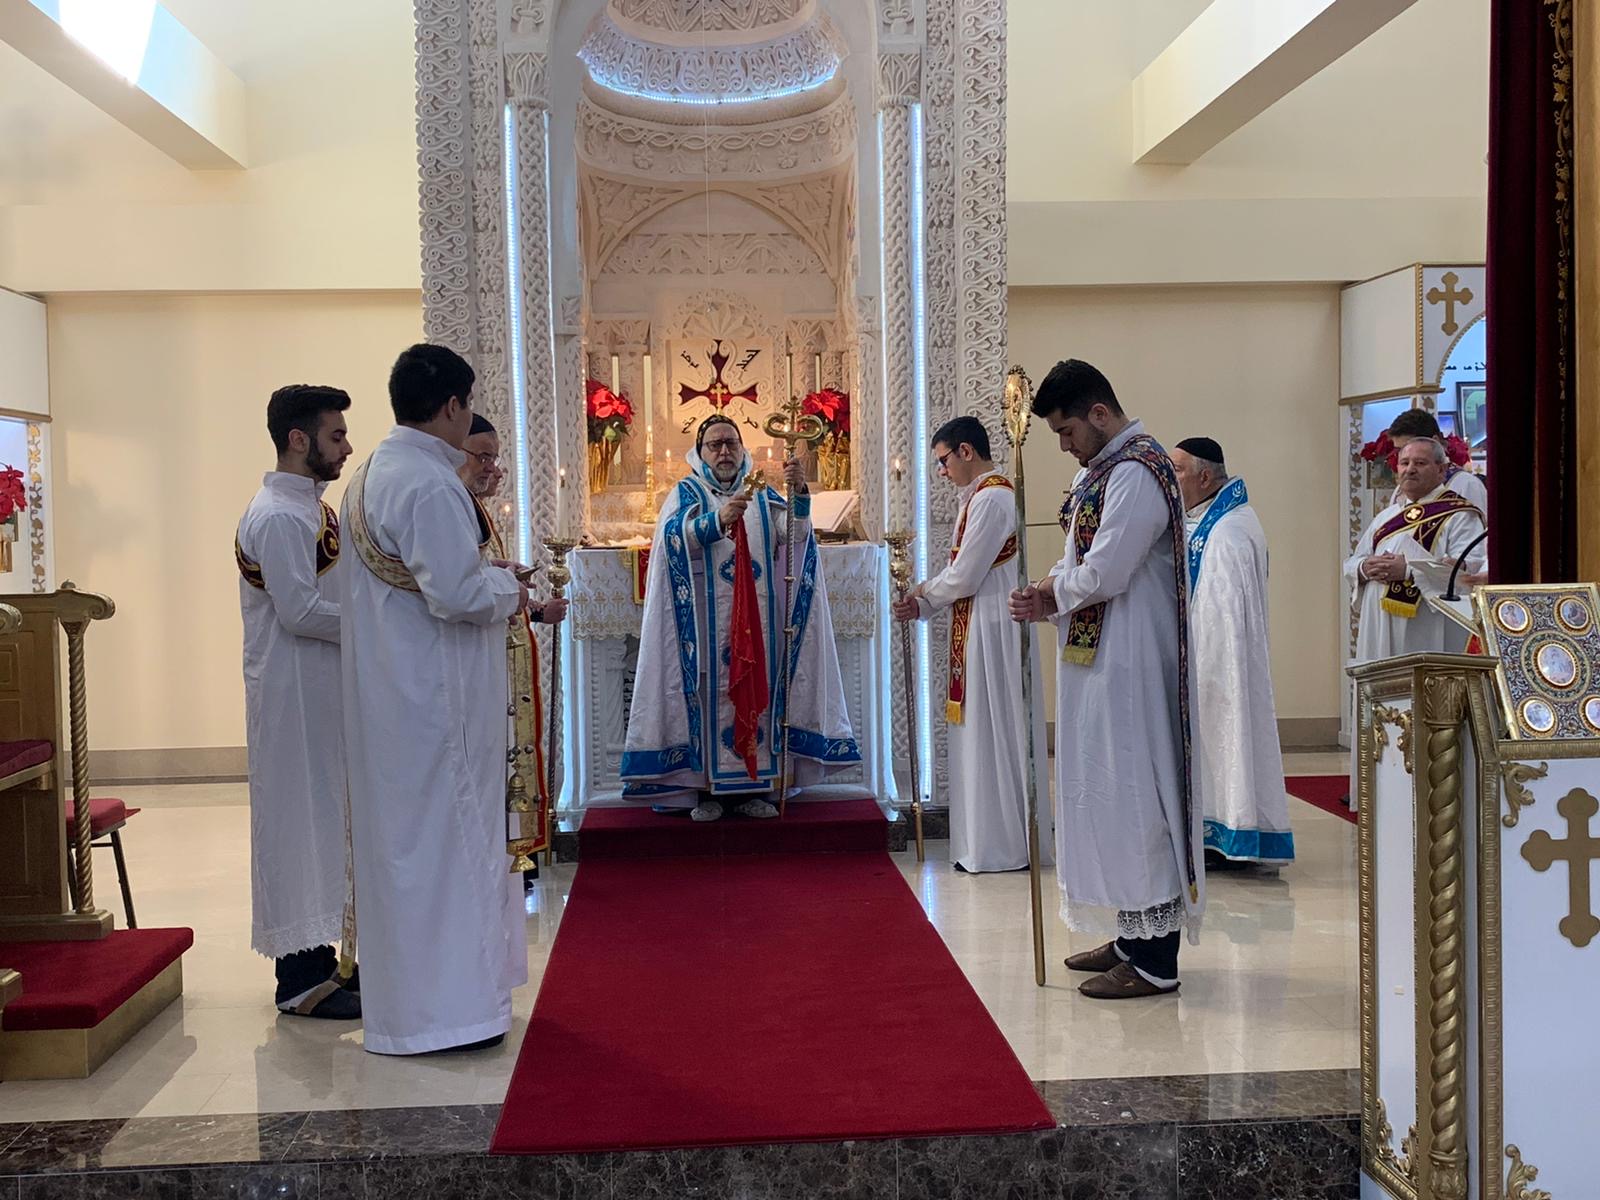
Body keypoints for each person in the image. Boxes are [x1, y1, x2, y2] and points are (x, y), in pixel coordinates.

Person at [340, 344, 530, 1055]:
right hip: (435, 701)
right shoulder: (428, 484)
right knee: (448, 846)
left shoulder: (370, 476)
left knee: (408, 852)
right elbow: (455, 595)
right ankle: (453, 1014)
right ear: (452, 406)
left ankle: (409, 1012)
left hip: (393, 694)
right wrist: (511, 587)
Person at [1008, 359, 1200, 999]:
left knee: (1136, 791)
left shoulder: (1138, 473)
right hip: (1101, 651)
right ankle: (1130, 935)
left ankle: (1155, 962)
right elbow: (1083, 562)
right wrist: (1052, 592)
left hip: (1133, 656)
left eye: (1066, 431)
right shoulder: (1105, 471)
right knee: (1108, 789)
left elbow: (1110, 569)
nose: (1063, 446)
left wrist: (1047, 595)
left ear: (1099, 414)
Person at [622, 414, 860, 819]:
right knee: (711, 697)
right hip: (703, 628)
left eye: (731, 442)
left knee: (757, 697)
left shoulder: (763, 493)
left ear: (742, 447)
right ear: (700, 453)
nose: (725, 451)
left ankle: (755, 788)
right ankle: (707, 793)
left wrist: (799, 492)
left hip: (760, 625)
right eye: (714, 444)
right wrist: (717, 521)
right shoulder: (686, 493)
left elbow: (796, 535)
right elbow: (671, 541)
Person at [236, 384, 360, 1020]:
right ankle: (300, 981)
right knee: (298, 825)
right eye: (335, 436)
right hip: (290, 695)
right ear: (298, 439)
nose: (345, 447)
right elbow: (301, 610)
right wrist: (376, 625)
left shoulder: (311, 508)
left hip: (320, 691)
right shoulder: (279, 515)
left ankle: (331, 964)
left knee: (325, 821)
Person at [891, 416, 1051, 873]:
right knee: (979, 731)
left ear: (965, 451)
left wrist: (924, 595)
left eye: (943, 461)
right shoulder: (977, 497)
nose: (941, 472)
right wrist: (925, 600)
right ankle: (981, 843)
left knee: (996, 729)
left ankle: (1004, 846)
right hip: (977, 623)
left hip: (995, 628)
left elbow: (966, 574)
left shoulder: (994, 497)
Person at [1169, 437, 1294, 870]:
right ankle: (1212, 831)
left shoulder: (1231, 531)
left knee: (1225, 734)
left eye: (1178, 470)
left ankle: (1228, 831)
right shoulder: (1207, 519)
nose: (1171, 478)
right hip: (1204, 661)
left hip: (1221, 666)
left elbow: (1221, 619)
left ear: (1205, 477)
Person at [455, 414, 566, 886]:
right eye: (484, 458)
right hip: (477, 667)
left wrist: (534, 607)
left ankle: (518, 850)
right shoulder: (453, 507)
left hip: (502, 653)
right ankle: (507, 853)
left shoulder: (473, 509)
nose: (495, 470)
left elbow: (479, 578)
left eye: (496, 460)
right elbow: (459, 591)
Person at [1346, 436, 1486, 666]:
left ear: (1441, 470)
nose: (1410, 470)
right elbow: (1353, 561)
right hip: (1378, 624)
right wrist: (1364, 567)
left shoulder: (1460, 515)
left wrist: (1410, 571)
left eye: (1420, 463)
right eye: (1404, 463)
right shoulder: (1387, 517)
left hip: (1426, 627)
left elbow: (1469, 574)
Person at [1386, 408, 1488, 513]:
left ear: (1435, 441)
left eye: (1408, 448)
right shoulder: (1400, 490)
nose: (1403, 455)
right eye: (1399, 450)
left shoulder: (1466, 485)